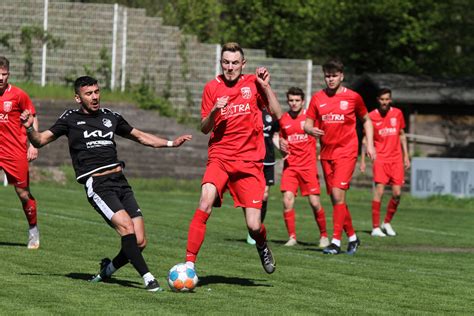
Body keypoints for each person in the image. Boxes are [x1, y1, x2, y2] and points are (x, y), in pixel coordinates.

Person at [20, 76, 192, 292]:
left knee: (139, 242)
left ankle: (106, 271)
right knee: (126, 228)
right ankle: (149, 278)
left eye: (96, 92)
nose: (94, 97)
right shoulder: (70, 119)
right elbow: (40, 140)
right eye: (88, 93)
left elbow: (140, 137)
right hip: (98, 184)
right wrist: (29, 129)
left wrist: (170, 143)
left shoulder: (111, 117)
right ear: (77, 98)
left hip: (120, 181)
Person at [184, 42, 282, 274]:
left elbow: (278, 114)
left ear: (243, 64)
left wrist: (266, 87)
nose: (230, 67)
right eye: (226, 62)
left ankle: (262, 244)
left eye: (235, 63)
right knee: (204, 202)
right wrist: (215, 111)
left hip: (249, 162)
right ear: (221, 63)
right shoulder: (211, 88)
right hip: (220, 157)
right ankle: (189, 265)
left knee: (253, 225)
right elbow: (204, 128)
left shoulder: (254, 84)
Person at [304, 58, 375, 255]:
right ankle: (352, 237)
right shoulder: (317, 98)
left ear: (342, 76)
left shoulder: (353, 97)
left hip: (347, 151)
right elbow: (307, 124)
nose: (331, 79)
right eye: (328, 76)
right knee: (337, 200)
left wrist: (370, 144)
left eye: (334, 76)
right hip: (327, 154)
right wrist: (311, 131)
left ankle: (335, 242)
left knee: (337, 195)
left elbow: (367, 120)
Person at [278, 87, 329, 248]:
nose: (294, 103)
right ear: (288, 101)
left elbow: (323, 133)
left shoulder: (310, 118)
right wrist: (281, 144)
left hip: (308, 167)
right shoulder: (284, 119)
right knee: (287, 201)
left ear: (303, 101)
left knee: (315, 203)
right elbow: (281, 141)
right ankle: (292, 237)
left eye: (297, 100)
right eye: (291, 100)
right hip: (290, 167)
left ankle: (324, 236)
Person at [0, 56, 40, 249]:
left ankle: (33, 229)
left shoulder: (18, 95)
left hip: (14, 151)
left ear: (8, 74)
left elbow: (32, 117)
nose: (0, 77)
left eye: (4, 74)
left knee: (23, 194)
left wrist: (33, 145)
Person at [360, 88, 410, 237]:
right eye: (382, 99)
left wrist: (406, 156)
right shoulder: (371, 117)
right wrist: (362, 160)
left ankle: (386, 222)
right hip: (380, 158)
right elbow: (364, 140)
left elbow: (402, 135)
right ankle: (375, 227)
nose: (384, 102)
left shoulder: (397, 114)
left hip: (396, 159)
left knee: (397, 193)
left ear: (391, 100)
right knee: (379, 191)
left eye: (387, 99)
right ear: (378, 100)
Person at [246, 107, 280, 245]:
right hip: (253, 159)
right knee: (253, 195)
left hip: (269, 160)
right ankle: (252, 226)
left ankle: (257, 227)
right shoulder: (250, 110)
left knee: (265, 195)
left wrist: (284, 150)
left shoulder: (271, 113)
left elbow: (275, 135)